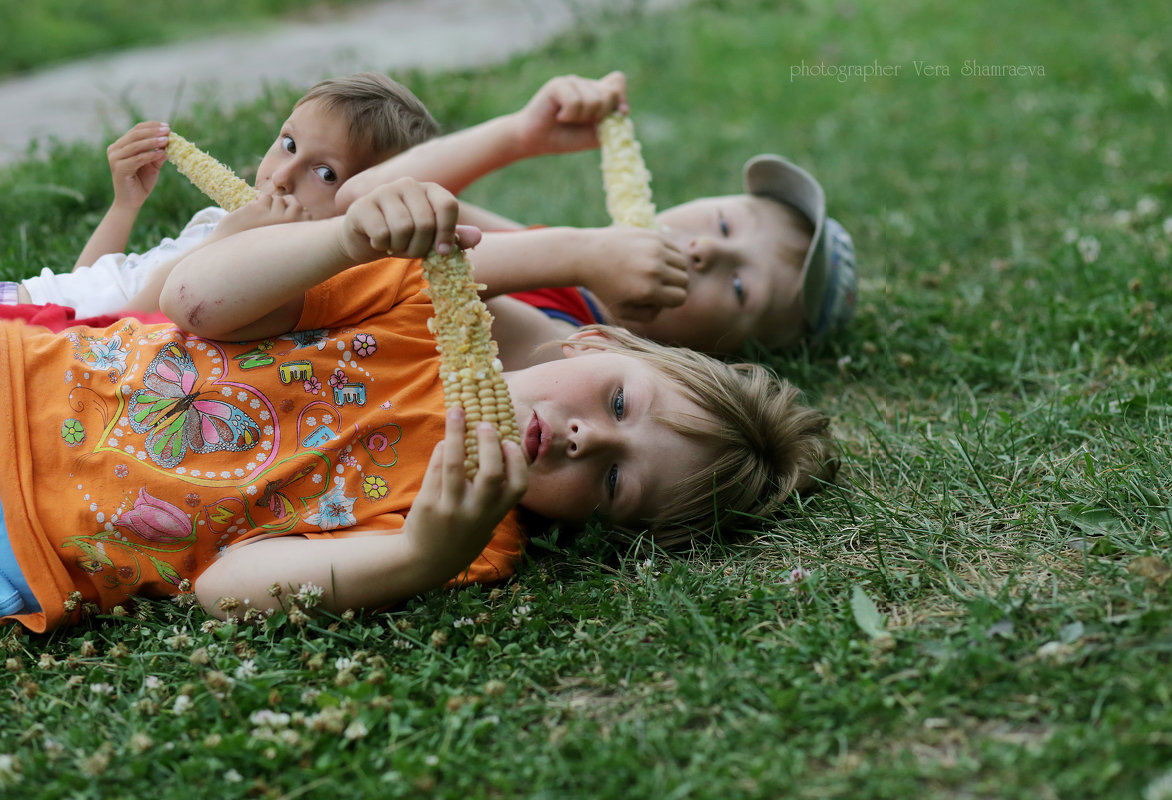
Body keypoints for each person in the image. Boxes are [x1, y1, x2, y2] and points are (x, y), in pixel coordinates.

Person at [0, 178, 838, 632]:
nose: (586, 438)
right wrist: (344, 239)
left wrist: (414, 558)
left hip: (26, 547)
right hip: (19, 374)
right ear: (597, 344)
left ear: (599, 528)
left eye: (616, 482)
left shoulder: (464, 543)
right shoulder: (416, 306)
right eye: (619, 401)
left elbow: (222, 585)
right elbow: (194, 301)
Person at [335, 71, 859, 365]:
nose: (708, 251)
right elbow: (366, 197)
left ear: (721, 356)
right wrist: (519, 135)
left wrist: (580, 254)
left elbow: (398, 274)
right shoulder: (561, 261)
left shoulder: (576, 358)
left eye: (742, 286)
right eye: (724, 224)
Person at [0, 72, 438, 318]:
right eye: (288, 144)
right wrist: (125, 205)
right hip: (29, 300)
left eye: (325, 173)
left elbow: (119, 328)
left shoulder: (265, 273)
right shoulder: (220, 220)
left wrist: (223, 240)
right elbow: (88, 284)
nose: (282, 176)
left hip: (36, 334)